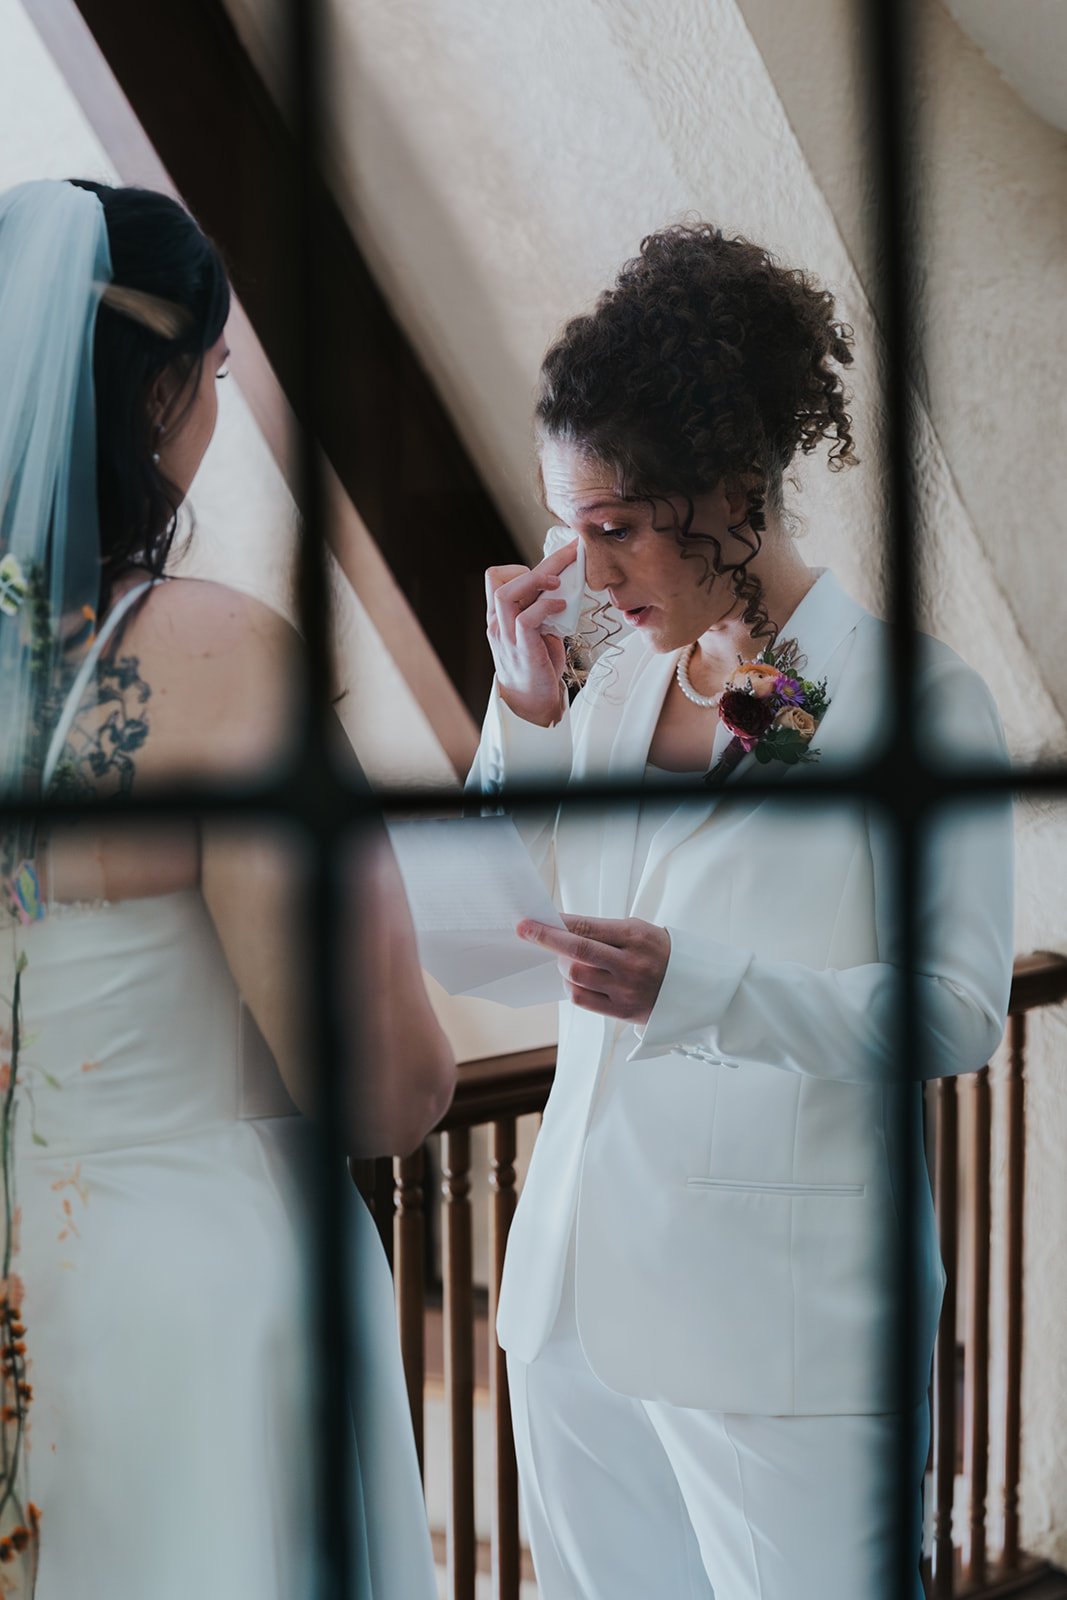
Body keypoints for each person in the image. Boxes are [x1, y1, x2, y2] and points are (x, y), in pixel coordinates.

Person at [469, 224, 1014, 1599]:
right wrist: (520, 717)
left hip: (777, 1339)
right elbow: (487, 927)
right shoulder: (606, 698)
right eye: (569, 533)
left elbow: (955, 1011)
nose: (589, 578)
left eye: (613, 532)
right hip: (569, 1314)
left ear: (727, 499)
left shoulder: (906, 701)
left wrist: (697, 986)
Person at [0, 179, 453, 1598]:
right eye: (216, 372)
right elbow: (385, 1088)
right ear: (161, 391)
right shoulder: (221, 662)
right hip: (183, 1308)